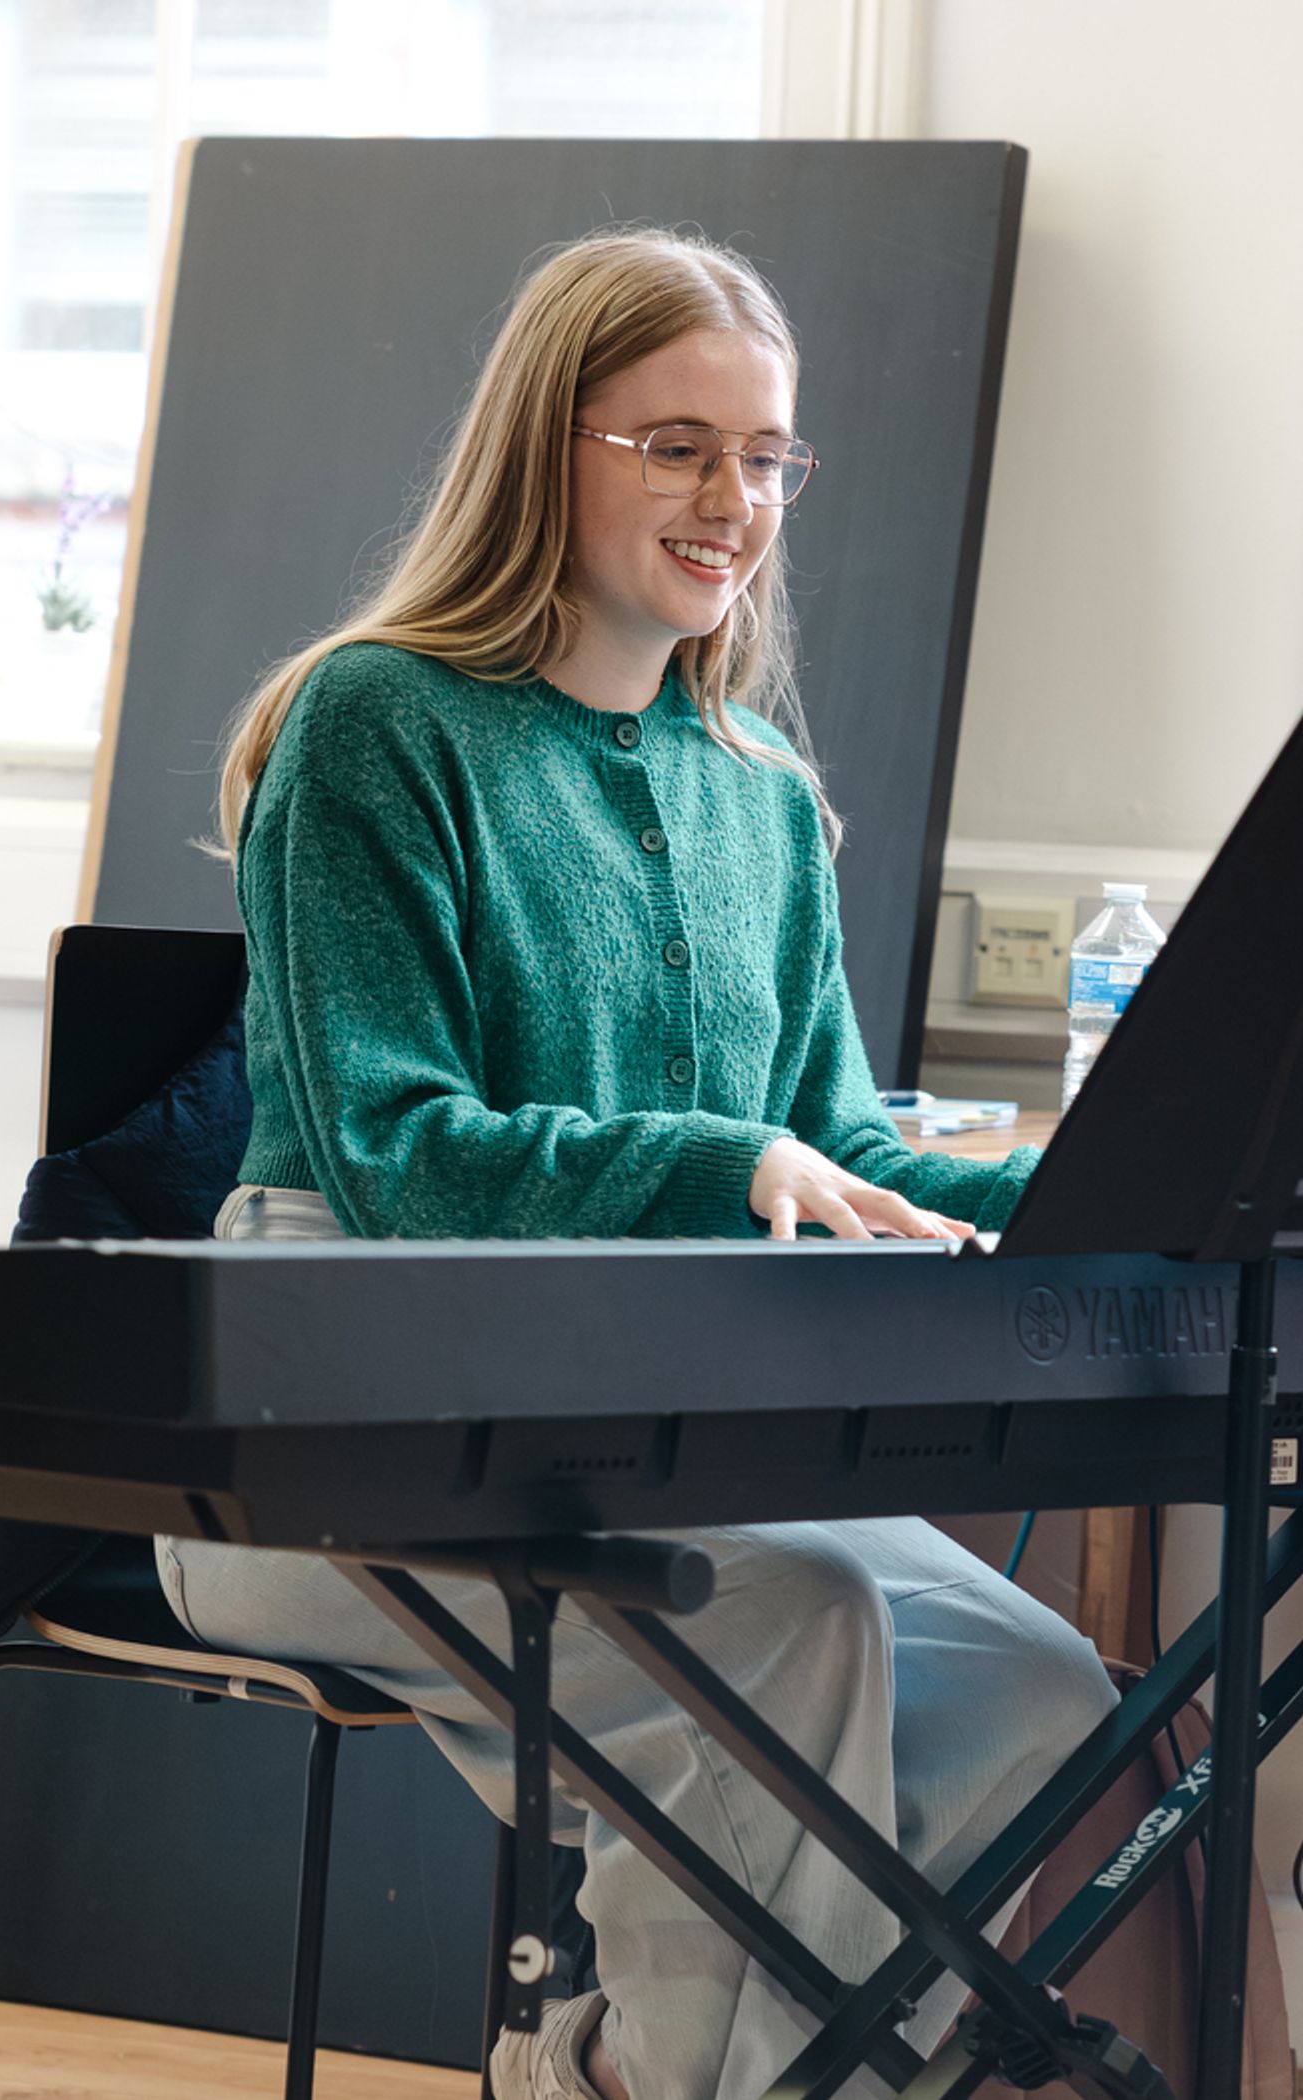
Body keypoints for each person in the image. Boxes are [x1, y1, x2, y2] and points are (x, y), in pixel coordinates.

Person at [156, 229, 1116, 2100]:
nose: (731, 501)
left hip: (651, 1418)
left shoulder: (758, 790)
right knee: (790, 1624)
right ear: (549, 446)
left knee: (1037, 1690)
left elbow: (837, 1145)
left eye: (766, 456)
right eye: (675, 445)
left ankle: (622, 2073)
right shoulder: (375, 722)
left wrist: (1108, 1200)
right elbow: (393, 1152)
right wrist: (718, 1156)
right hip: (322, 1416)